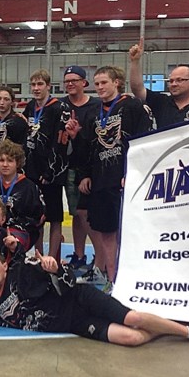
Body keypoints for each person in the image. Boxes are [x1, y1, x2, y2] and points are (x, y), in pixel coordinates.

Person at [0, 250, 189, 347]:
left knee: (133, 317)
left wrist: (55, 268)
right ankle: (165, 325)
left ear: (5, 267)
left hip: (79, 299)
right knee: (132, 337)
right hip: (72, 323)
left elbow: (65, 278)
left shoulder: (24, 272)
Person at [79, 66, 152, 287]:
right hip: (101, 181)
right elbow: (87, 147)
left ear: (116, 82)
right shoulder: (93, 112)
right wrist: (85, 175)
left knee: (129, 232)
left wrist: (134, 172)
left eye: (104, 82)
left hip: (126, 180)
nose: (99, 87)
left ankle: (135, 278)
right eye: (97, 83)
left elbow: (144, 141)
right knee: (107, 234)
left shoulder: (132, 106)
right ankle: (113, 279)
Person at [22, 69, 72, 262]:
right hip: (32, 169)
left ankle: (53, 257)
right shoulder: (29, 107)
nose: (36, 88)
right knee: (37, 217)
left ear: (48, 86)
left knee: (55, 216)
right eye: (33, 85)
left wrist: (50, 170)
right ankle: (38, 256)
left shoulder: (59, 107)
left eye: (40, 84)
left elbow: (60, 141)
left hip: (52, 170)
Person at [59, 66, 101, 271]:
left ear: (84, 82)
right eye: (67, 80)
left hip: (89, 166)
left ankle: (101, 257)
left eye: (74, 80)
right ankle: (79, 254)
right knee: (76, 213)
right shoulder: (60, 105)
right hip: (66, 165)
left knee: (88, 214)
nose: (70, 84)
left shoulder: (96, 106)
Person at [0, 139, 44, 252]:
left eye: (10, 161)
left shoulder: (29, 188)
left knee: (7, 243)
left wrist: (11, 228)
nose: (5, 164)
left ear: (17, 163)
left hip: (19, 231)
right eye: (1, 160)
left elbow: (38, 219)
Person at [128, 38, 189, 128]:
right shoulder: (161, 102)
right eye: (171, 81)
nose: (173, 84)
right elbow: (137, 88)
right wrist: (135, 61)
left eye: (179, 80)